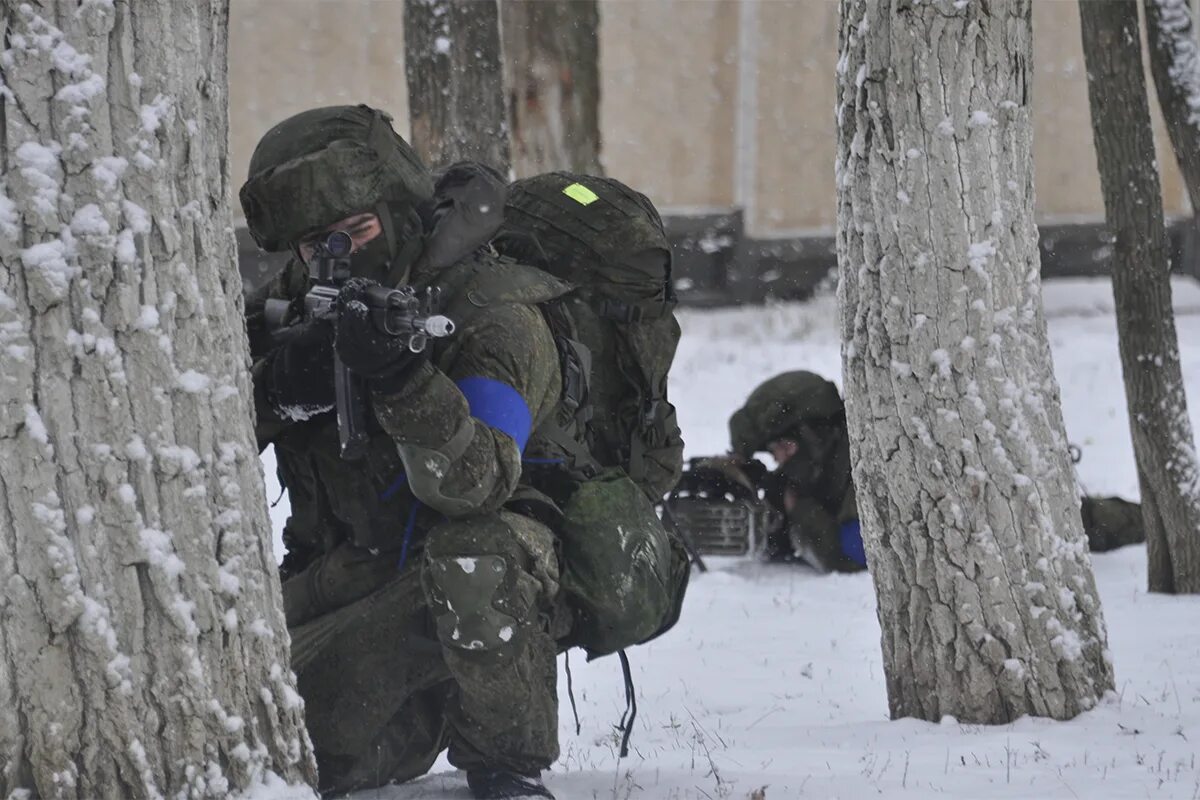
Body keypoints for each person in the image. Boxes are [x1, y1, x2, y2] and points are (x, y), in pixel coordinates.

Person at [241, 105, 570, 799]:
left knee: (473, 556)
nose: (337, 256)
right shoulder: (296, 302)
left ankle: (504, 760)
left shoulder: (494, 316)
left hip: (455, 576)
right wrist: (274, 390)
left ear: (398, 211)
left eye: (357, 230)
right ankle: (408, 724)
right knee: (273, 749)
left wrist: (401, 378)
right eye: (313, 245)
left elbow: (475, 486)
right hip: (339, 574)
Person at [689, 371, 1143, 570]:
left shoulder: (863, 456)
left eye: (783, 449)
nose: (782, 463)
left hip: (1009, 517)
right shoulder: (828, 460)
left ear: (813, 436)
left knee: (1095, 522)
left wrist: (799, 511)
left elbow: (856, 552)